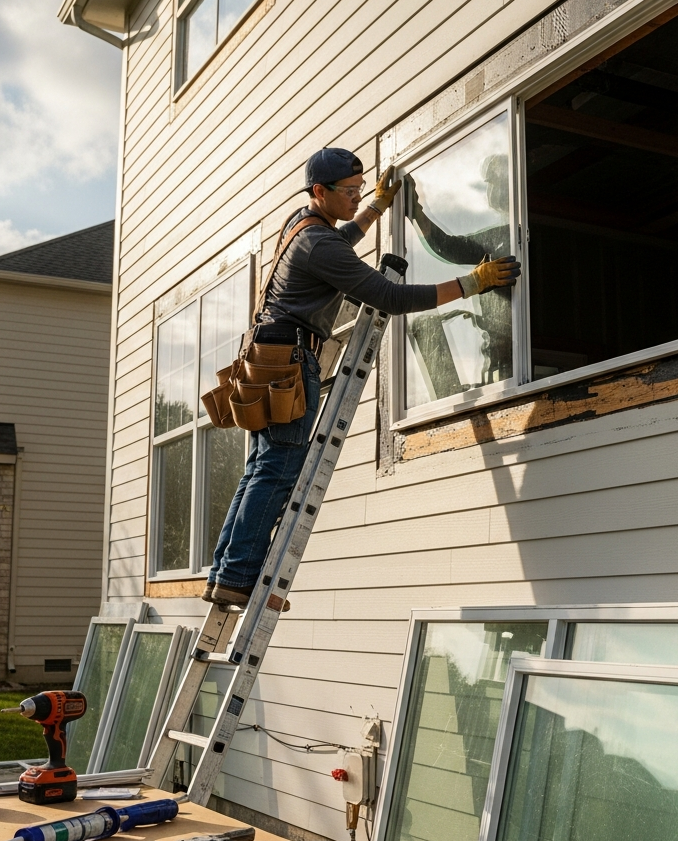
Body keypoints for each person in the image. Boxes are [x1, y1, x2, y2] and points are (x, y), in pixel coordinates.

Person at [203, 147, 520, 606]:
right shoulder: (319, 244)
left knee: (260, 469)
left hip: (266, 356)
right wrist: (475, 282)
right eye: (349, 192)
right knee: (278, 470)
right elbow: (390, 296)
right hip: (289, 360)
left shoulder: (302, 224)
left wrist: (375, 206)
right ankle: (242, 579)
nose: (355, 198)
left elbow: (340, 241)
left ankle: (227, 573)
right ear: (320, 191)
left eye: (359, 191)